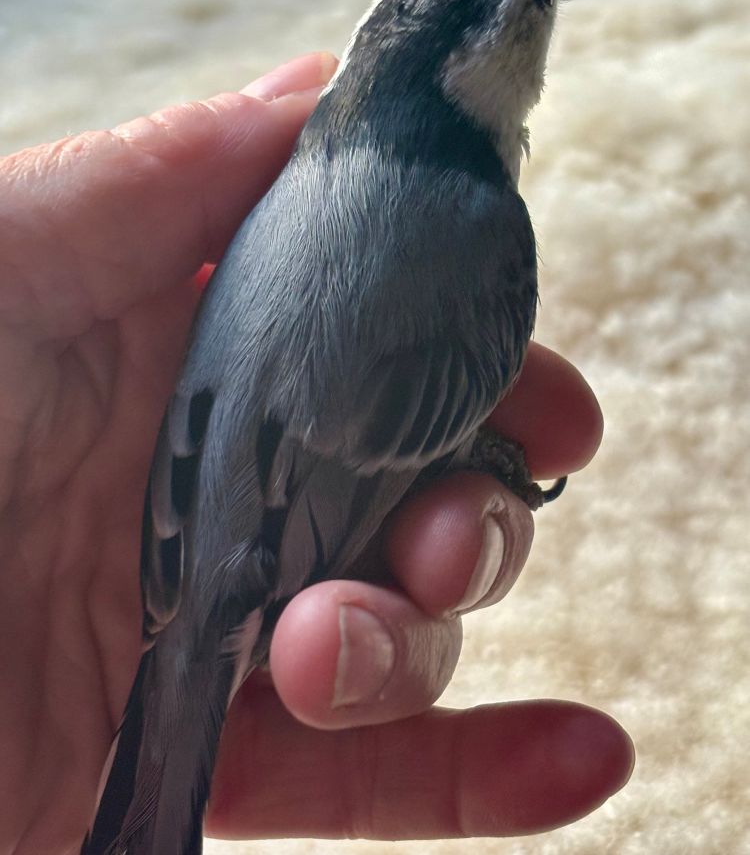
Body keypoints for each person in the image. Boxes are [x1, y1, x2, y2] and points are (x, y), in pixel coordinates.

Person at [0, 52, 633, 852]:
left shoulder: (301, 179)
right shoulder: (489, 231)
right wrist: (481, 452)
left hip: (185, 549)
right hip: (251, 575)